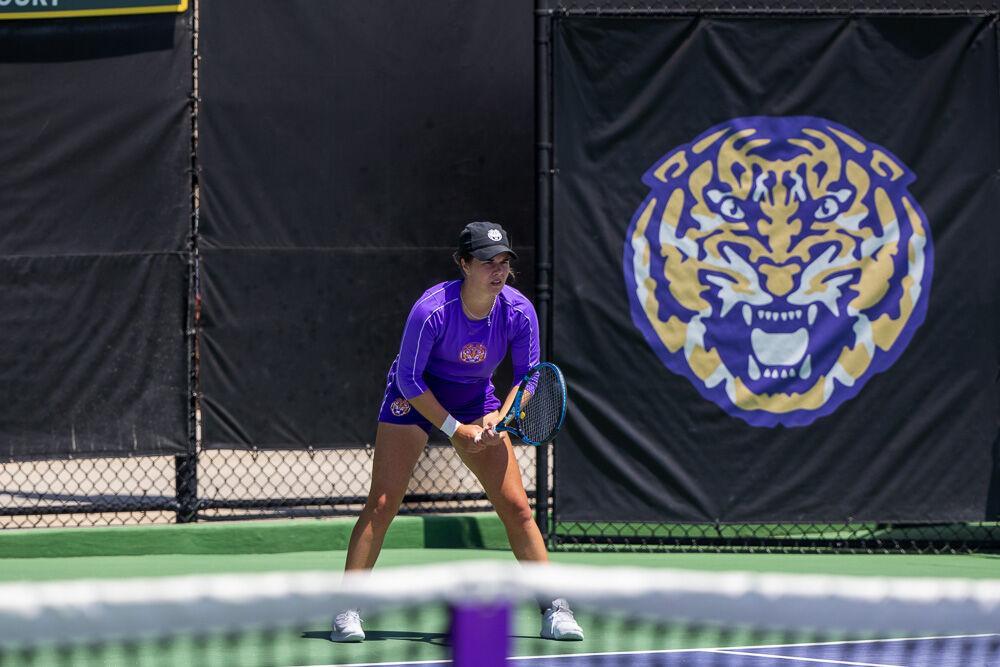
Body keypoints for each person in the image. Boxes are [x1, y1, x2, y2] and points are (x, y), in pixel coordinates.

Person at [330, 221, 584, 643]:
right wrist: (453, 428)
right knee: (383, 500)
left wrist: (499, 416)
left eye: (504, 262)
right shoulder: (431, 310)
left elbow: (529, 378)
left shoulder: (518, 312)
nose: (498, 271)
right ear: (463, 264)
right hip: (414, 396)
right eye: (487, 262)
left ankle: (555, 609)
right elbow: (410, 380)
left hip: (475, 398)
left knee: (518, 507)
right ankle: (346, 609)